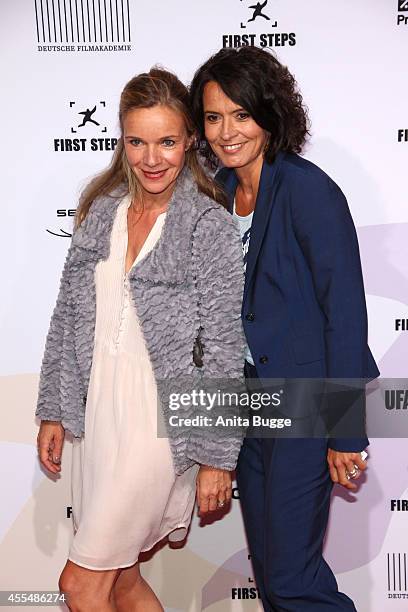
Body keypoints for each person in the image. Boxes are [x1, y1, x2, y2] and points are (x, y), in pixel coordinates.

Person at [35, 68, 245, 612]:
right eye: (138, 142)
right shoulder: (100, 213)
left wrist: (217, 457)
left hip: (158, 426)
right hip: (100, 414)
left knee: (81, 585)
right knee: (121, 580)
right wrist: (55, 409)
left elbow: (223, 344)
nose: (153, 159)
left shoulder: (207, 224)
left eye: (167, 142)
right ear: (121, 140)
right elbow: (67, 317)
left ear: (190, 141)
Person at [190, 46, 380, 611]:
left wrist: (345, 433)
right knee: (272, 573)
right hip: (245, 403)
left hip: (304, 401)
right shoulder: (217, 193)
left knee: (293, 578)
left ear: (270, 115)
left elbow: (344, 314)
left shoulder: (305, 189)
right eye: (213, 116)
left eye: (241, 115)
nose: (226, 132)